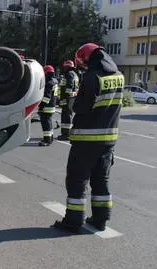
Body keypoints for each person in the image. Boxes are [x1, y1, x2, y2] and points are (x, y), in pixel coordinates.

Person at [52, 43, 123, 234]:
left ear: (87, 58)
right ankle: (101, 220)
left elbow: (81, 107)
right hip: (108, 141)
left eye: (82, 62)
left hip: (86, 140)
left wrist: (74, 99)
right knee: (101, 181)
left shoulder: (92, 77)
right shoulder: (119, 76)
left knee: (77, 181)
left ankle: (73, 222)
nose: (82, 65)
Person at [58, 60, 79, 141]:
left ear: (67, 67)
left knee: (66, 115)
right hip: (71, 98)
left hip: (67, 98)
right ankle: (66, 133)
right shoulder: (75, 74)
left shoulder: (68, 74)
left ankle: (66, 134)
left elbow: (69, 86)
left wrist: (64, 98)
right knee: (67, 114)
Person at [38, 65, 58, 146]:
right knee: (49, 122)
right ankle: (50, 138)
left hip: (47, 107)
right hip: (52, 105)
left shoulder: (49, 82)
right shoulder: (55, 81)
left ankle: (47, 140)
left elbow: (47, 97)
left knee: (45, 123)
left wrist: (41, 105)